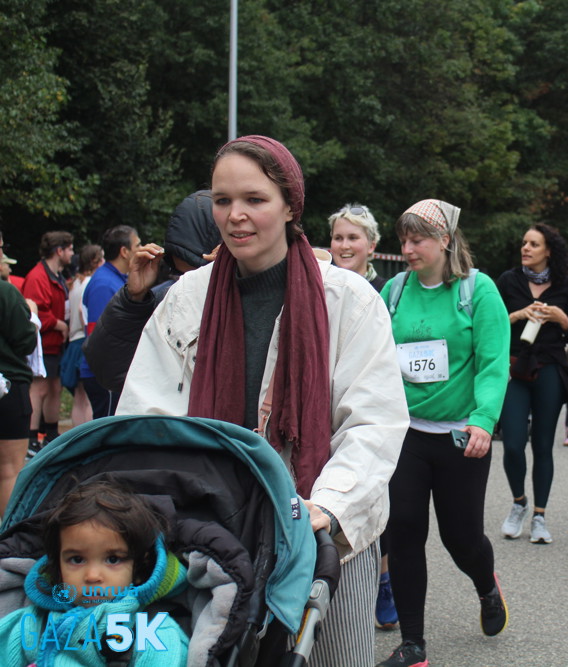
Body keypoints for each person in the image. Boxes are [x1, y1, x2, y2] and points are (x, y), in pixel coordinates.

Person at [117, 135, 410, 667]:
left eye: (254, 199)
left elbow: (373, 421)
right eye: (222, 200)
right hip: (212, 533)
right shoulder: (187, 297)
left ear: (290, 205)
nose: (235, 215)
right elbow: (148, 414)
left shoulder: (348, 300)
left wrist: (328, 508)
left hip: (325, 535)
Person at [377, 199, 510, 667]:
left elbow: (493, 363)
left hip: (460, 436)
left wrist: (483, 420)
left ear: (445, 241)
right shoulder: (394, 291)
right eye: (403, 240)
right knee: (403, 531)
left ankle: (486, 585)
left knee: (462, 539)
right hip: (407, 433)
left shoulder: (478, 290)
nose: (408, 249)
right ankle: (413, 645)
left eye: (418, 240)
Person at [0, 480, 188, 665]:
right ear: (57, 566)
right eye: (77, 559)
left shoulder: (154, 633)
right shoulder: (31, 626)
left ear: (138, 568)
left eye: (113, 559)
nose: (92, 576)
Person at [327, 202, 396, 629]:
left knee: (375, 493)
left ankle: (383, 581)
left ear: (372, 245)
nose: (344, 245)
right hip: (328, 405)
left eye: (353, 237)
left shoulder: (387, 291)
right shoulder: (318, 285)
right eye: (338, 237)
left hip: (375, 405)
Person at [83, 190, 222, 395]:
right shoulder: (166, 299)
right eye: (180, 274)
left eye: (198, 272)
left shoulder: (254, 299)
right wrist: (133, 300)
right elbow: (111, 371)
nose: (187, 283)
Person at [496, 223, 568, 544]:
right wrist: (519, 315)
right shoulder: (508, 281)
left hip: (550, 370)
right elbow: (491, 324)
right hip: (516, 369)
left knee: (543, 445)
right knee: (513, 443)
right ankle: (519, 503)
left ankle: (540, 517)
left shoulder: (566, 286)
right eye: (524, 243)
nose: (526, 248)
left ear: (549, 251)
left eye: (534, 244)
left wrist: (561, 318)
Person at [80, 226, 141, 418]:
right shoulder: (104, 284)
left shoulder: (116, 279)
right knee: (107, 430)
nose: (142, 250)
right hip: (104, 375)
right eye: (138, 245)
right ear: (124, 252)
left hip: (111, 372)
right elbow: (98, 335)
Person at [21, 230, 74, 449]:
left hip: (55, 343)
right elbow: (34, 311)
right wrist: (59, 324)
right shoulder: (38, 277)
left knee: (54, 388)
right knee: (39, 389)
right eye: (70, 249)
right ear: (59, 251)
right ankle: (31, 438)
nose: (72, 253)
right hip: (42, 344)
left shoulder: (57, 276)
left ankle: (51, 433)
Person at [0, 230, 37, 515]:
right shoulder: (6, 292)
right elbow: (25, 341)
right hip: (8, 387)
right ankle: (7, 535)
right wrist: (31, 316)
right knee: (9, 470)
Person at [63, 244, 103, 427]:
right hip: (83, 341)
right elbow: (82, 312)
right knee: (87, 399)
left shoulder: (75, 283)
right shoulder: (90, 283)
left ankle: (76, 435)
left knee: (79, 397)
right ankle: (88, 437)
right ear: (94, 261)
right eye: (102, 258)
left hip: (73, 342)